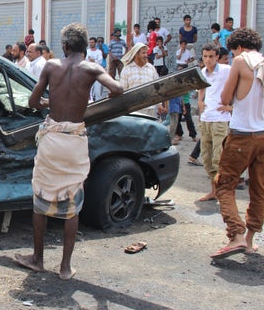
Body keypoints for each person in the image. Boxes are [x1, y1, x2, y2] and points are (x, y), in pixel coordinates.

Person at [14, 23, 122, 280]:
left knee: (41, 199)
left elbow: (32, 102)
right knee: (72, 203)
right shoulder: (92, 68)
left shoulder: (51, 67)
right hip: (74, 141)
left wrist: (50, 102)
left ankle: (38, 259)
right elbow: (117, 90)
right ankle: (65, 267)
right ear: (86, 47)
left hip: (51, 140)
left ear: (64, 47)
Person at [211, 28, 264, 259]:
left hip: (240, 136)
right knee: (260, 188)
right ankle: (249, 240)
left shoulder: (239, 62)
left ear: (238, 48)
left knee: (224, 185)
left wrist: (232, 102)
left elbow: (225, 99)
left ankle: (236, 235)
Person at [196, 43, 232, 201]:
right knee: (207, 158)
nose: (208, 60)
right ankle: (214, 191)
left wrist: (232, 107)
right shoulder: (202, 72)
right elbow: (201, 88)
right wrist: (200, 102)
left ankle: (224, 192)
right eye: (205, 56)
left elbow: (241, 86)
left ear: (217, 57)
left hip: (220, 120)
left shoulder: (226, 71)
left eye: (211, 56)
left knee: (219, 158)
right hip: (205, 119)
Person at [119, 42, 162, 117]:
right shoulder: (127, 69)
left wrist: (159, 104)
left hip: (150, 107)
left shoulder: (151, 68)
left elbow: (157, 87)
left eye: (146, 53)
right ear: (136, 54)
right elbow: (123, 90)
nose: (146, 55)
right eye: (143, 53)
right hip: (134, 108)